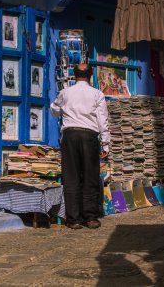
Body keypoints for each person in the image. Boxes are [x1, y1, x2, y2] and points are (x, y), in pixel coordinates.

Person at [51, 63, 110, 229]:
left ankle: (74, 219)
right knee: (90, 177)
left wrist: (64, 110)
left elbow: (54, 109)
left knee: (71, 177)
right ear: (90, 75)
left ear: (74, 75)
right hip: (89, 136)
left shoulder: (65, 92)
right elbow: (102, 120)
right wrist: (106, 144)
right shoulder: (97, 94)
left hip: (69, 136)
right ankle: (90, 217)